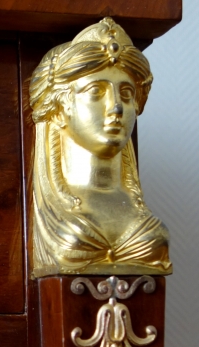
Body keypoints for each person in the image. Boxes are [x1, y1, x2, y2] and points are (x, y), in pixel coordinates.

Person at [29, 17, 172, 277]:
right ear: (59, 109)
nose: (116, 107)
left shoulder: (133, 203)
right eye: (96, 92)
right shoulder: (56, 209)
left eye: (126, 93)